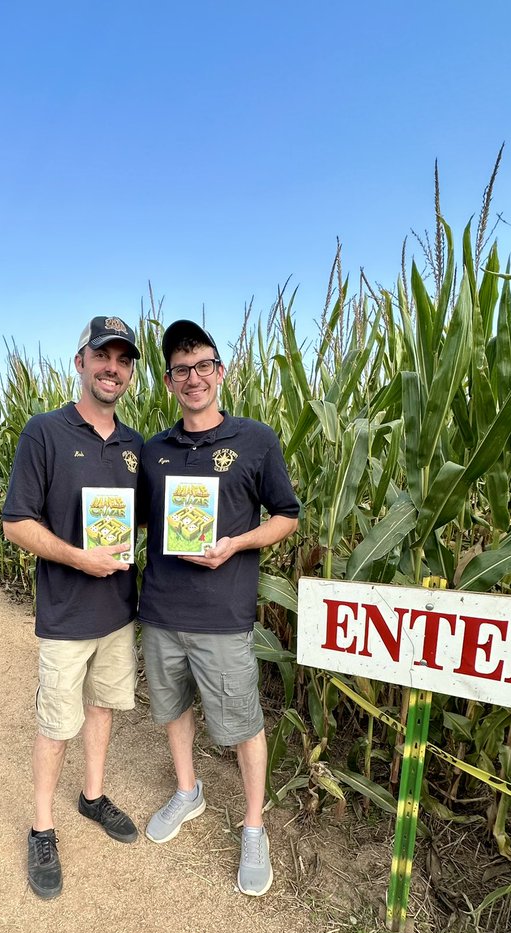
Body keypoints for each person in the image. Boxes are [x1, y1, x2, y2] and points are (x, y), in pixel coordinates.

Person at [137, 319, 299, 896]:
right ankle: (188, 791)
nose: (194, 377)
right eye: (182, 370)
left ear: (220, 371)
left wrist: (236, 543)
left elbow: (286, 516)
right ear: (169, 380)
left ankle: (254, 826)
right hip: (160, 610)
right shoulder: (152, 450)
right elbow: (127, 518)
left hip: (223, 615)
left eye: (204, 365)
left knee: (243, 724)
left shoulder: (256, 441)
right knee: (172, 709)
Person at [2, 316, 144, 900]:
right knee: (57, 722)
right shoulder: (45, 433)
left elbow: (151, 522)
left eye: (123, 359)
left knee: (104, 706)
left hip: (118, 611)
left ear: (130, 372)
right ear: (80, 362)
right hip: (65, 613)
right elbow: (15, 524)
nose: (112, 366)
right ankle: (42, 826)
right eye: (102, 355)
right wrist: (77, 558)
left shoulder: (137, 446)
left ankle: (91, 796)